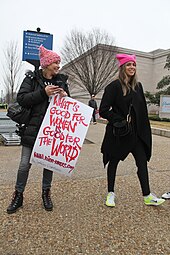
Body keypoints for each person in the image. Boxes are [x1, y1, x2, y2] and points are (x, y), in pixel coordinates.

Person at [7, 45, 70, 214]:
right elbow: (22, 99)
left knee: (49, 164)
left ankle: (46, 193)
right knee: (24, 165)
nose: (58, 65)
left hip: (52, 131)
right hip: (32, 129)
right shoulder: (32, 79)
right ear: (46, 64)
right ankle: (18, 195)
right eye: (56, 62)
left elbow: (68, 106)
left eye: (59, 62)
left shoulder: (62, 80)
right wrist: (43, 93)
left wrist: (65, 97)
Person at [99, 53, 165, 207]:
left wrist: (144, 131)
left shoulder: (138, 86)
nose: (132, 67)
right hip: (120, 133)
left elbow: (142, 111)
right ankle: (110, 193)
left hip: (136, 134)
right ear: (122, 67)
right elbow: (103, 110)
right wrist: (119, 120)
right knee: (113, 162)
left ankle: (147, 195)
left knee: (142, 163)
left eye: (134, 65)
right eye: (129, 65)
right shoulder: (113, 86)